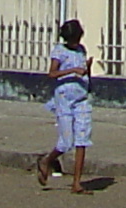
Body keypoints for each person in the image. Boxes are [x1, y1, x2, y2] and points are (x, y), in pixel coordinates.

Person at [34, 18, 94, 193]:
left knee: (82, 140)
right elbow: (52, 73)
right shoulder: (59, 51)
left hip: (82, 98)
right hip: (64, 99)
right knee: (66, 142)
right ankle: (47, 160)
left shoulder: (81, 50)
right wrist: (72, 71)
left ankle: (77, 182)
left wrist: (86, 69)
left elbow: (83, 70)